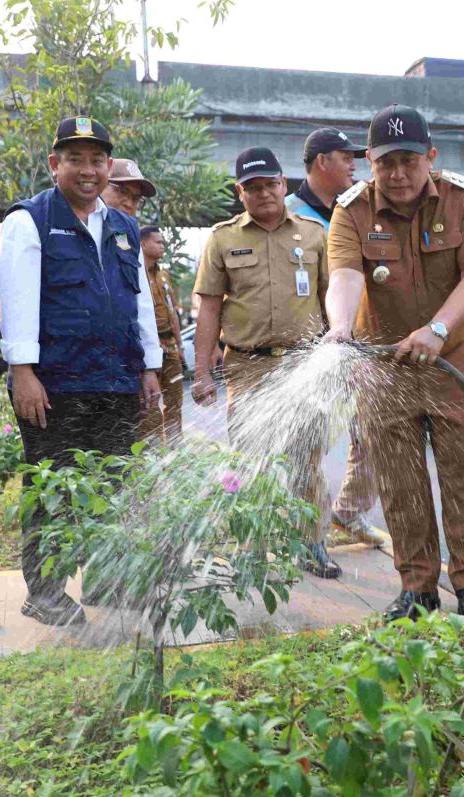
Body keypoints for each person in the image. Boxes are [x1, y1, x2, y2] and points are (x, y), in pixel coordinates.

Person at [324, 103, 464, 621]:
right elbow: (345, 277)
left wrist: (438, 329)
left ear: (430, 157)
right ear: (370, 162)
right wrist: (339, 329)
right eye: (385, 163)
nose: (398, 174)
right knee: (401, 486)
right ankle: (417, 589)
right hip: (385, 369)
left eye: (409, 160)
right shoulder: (351, 209)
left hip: (455, 365)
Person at [0, 116, 163, 626]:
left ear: (107, 166)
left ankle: (107, 581)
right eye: (76, 159)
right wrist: (23, 371)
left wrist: (149, 367)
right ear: (54, 165)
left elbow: (140, 305)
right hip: (54, 384)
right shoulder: (30, 220)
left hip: (113, 379)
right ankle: (43, 592)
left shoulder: (123, 227)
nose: (88, 171)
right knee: (53, 493)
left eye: (96, 160)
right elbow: (15, 298)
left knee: (113, 485)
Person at [191, 146, 340, 579]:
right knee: (251, 462)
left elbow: (333, 301)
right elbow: (209, 310)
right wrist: (203, 373)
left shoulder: (315, 234)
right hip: (248, 368)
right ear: (241, 193)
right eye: (252, 188)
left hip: (304, 365)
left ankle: (312, 545)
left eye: (270, 185)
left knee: (306, 461)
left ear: (283, 184)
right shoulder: (223, 238)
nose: (263, 194)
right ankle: (251, 550)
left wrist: (338, 364)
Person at [287, 127, 382, 548]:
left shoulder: (361, 208)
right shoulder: (287, 213)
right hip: (316, 352)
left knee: (376, 432)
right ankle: (307, 530)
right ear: (322, 161)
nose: (354, 164)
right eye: (346, 156)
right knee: (308, 444)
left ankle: (350, 511)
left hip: (361, 345)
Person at [133, 226, 186, 443]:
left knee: (175, 401)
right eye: (158, 242)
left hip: (169, 345)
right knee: (149, 402)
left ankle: (175, 447)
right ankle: (152, 451)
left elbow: (172, 312)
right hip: (148, 347)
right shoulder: (134, 272)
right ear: (143, 244)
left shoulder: (163, 276)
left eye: (163, 242)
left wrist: (180, 346)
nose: (163, 246)